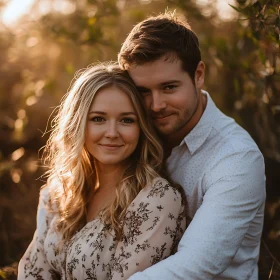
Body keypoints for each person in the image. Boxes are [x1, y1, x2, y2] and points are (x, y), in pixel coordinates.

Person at [118, 11, 266, 279]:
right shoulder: (132, 133)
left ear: (198, 75)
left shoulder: (236, 158)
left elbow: (196, 265)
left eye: (169, 87)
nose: (156, 105)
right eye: (143, 92)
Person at [18, 63, 186, 280]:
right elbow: (33, 271)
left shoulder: (156, 201)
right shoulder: (58, 193)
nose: (112, 133)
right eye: (98, 119)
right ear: (78, 124)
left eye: (127, 120)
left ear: (141, 128)